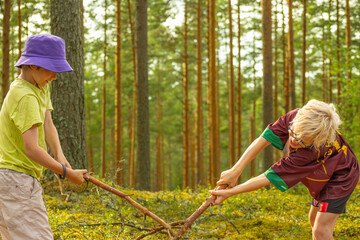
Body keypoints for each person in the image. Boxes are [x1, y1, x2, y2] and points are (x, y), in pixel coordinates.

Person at [210, 99, 359, 240]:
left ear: (316, 141)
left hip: (340, 176)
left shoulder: (310, 152)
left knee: (321, 229)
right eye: (293, 133)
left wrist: (229, 192)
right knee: (313, 220)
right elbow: (264, 138)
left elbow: (268, 177)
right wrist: (235, 170)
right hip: (324, 169)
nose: (294, 140)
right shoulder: (298, 117)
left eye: (301, 141)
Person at [0, 34, 88, 240]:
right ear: (33, 66)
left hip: (13, 180)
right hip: (16, 181)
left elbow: (48, 123)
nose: (56, 76)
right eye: (52, 69)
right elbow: (31, 149)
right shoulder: (25, 96)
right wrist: (66, 173)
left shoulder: (39, 86)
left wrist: (60, 156)